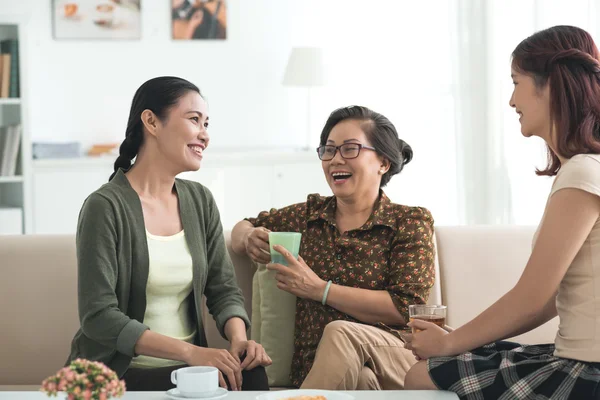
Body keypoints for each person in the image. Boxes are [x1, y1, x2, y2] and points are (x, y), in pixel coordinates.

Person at [404, 25, 600, 399]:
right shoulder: (588, 169)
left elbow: (529, 300)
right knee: (440, 366)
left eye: (516, 82)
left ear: (551, 86)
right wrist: (458, 339)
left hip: (588, 371)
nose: (512, 101)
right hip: (577, 357)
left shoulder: (583, 173)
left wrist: (449, 344)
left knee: (421, 376)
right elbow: (546, 301)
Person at [66, 76, 271, 392]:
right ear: (151, 122)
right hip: (121, 372)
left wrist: (240, 343)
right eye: (194, 120)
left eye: (206, 123)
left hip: (189, 371)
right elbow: (99, 316)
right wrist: (192, 353)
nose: (205, 135)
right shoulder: (104, 207)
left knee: (253, 377)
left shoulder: (199, 200)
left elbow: (223, 287)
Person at [231, 105, 436, 389]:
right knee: (362, 380)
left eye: (350, 149)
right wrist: (247, 238)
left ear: (383, 162)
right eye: (328, 150)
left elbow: (405, 307)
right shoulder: (309, 216)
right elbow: (245, 224)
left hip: (396, 357)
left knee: (341, 333)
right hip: (328, 368)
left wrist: (320, 290)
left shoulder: (408, 222)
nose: (335, 159)